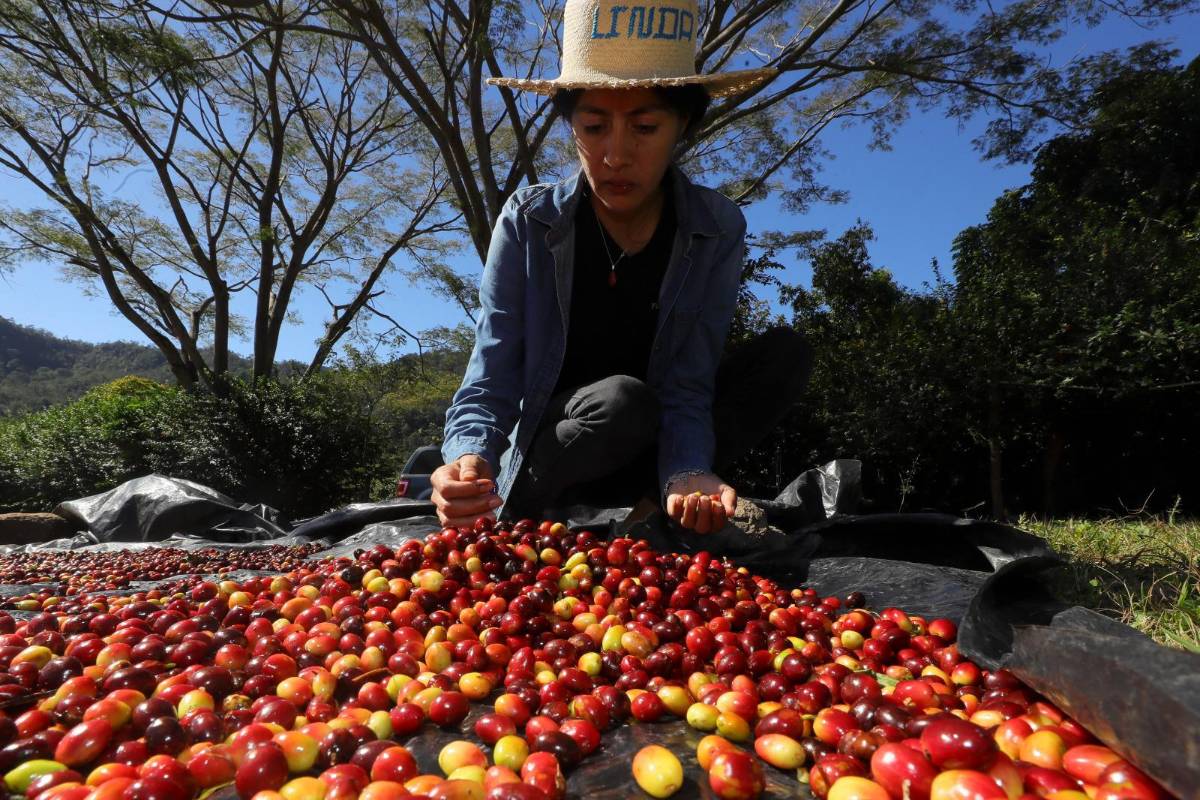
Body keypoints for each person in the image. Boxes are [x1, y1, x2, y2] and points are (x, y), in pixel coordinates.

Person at [433, 0, 811, 532]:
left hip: (653, 456)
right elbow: (492, 372)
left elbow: (690, 379)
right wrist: (469, 461)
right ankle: (527, 513)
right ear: (571, 127)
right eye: (593, 126)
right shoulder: (528, 221)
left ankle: (660, 509)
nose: (615, 155)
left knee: (783, 356)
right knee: (620, 401)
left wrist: (686, 468)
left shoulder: (716, 227)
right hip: (560, 451)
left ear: (682, 126)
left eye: (645, 127)